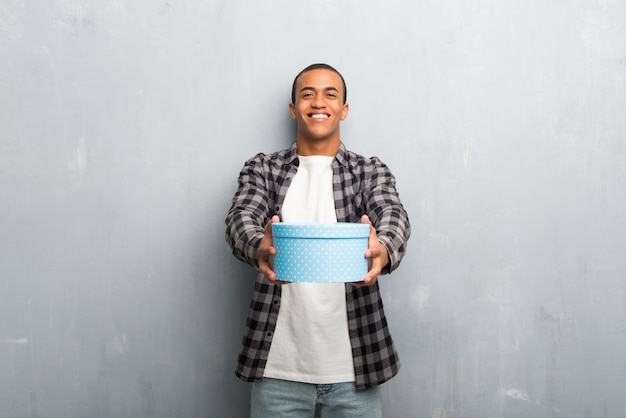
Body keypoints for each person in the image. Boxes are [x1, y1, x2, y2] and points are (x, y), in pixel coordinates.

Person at [225, 63, 411, 417]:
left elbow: (393, 214)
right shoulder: (263, 169)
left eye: (330, 94)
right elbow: (240, 219)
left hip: (354, 371)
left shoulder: (369, 171)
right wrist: (257, 245)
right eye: (307, 94)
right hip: (277, 372)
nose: (318, 102)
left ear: (344, 109)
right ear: (294, 108)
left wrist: (382, 248)